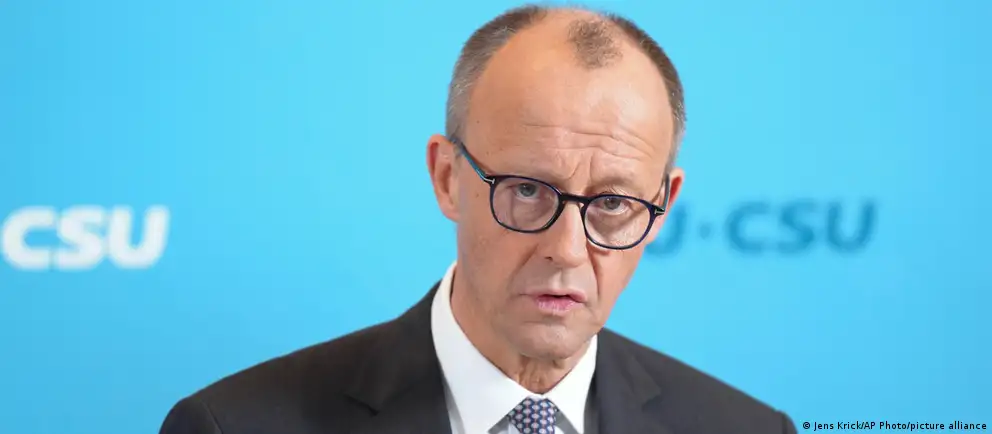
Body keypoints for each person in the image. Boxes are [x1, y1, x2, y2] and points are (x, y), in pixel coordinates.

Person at [160, 4, 797, 434]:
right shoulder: (233, 426)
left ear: (662, 207)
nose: (567, 250)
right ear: (447, 178)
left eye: (611, 204)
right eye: (528, 190)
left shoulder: (745, 429)